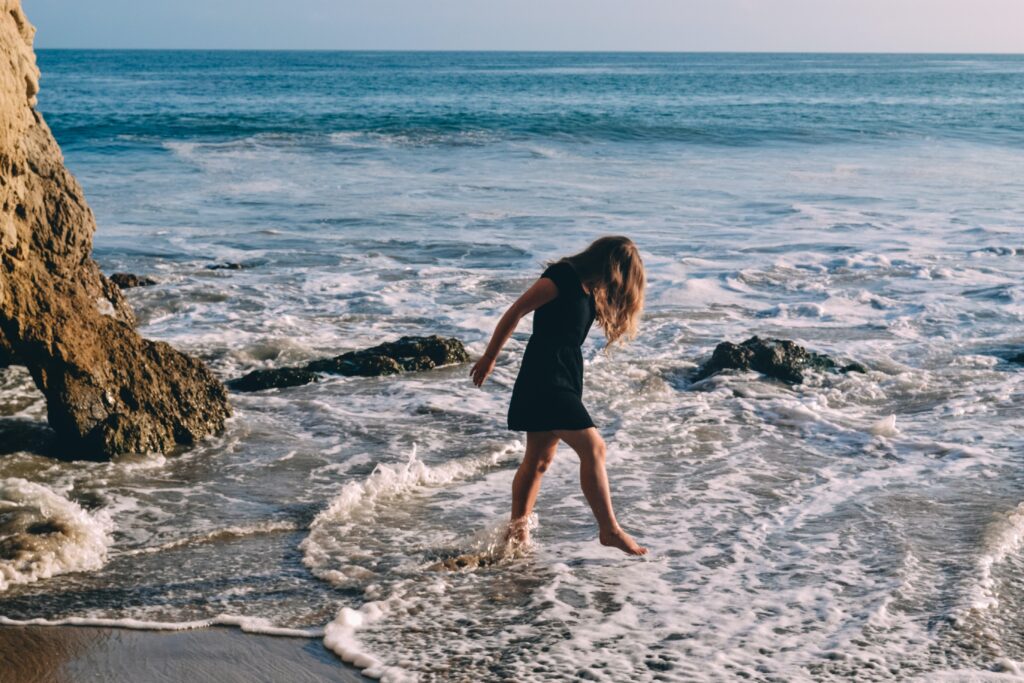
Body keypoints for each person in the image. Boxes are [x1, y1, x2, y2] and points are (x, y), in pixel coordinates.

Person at [470, 236, 648, 556]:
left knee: (539, 460)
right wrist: (490, 357)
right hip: (544, 374)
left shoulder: (591, 289)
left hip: (565, 375)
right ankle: (609, 529)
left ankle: (516, 535)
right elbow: (517, 311)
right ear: (610, 264)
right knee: (594, 447)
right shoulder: (562, 276)